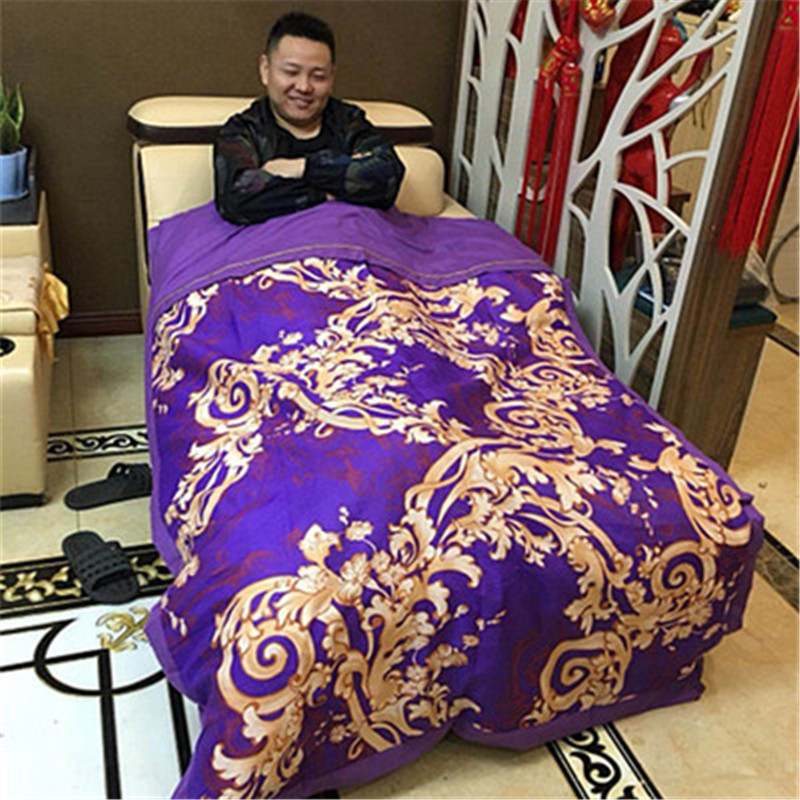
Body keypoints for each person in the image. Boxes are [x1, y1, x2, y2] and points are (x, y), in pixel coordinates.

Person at [214, 12, 406, 225]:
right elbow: (236, 200)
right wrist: (332, 192)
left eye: (318, 76)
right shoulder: (243, 130)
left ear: (332, 77)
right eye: (291, 72)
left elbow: (388, 178)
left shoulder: (348, 121)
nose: (304, 87)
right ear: (265, 69)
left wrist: (303, 167)